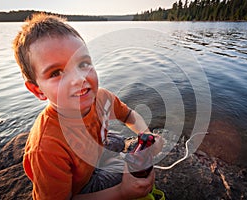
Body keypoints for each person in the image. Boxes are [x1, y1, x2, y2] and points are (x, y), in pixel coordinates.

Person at [13, 13, 162, 200]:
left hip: (94, 150)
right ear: (38, 90)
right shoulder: (47, 146)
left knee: (119, 140)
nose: (78, 78)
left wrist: (146, 135)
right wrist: (122, 192)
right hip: (80, 187)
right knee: (132, 176)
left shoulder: (101, 97)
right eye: (56, 72)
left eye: (83, 64)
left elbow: (128, 115)